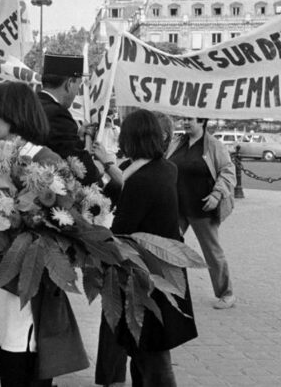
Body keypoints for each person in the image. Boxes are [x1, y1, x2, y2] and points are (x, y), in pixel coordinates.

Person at [0, 81, 89, 387]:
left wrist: (20, 219)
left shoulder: (45, 160)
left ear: (11, 114)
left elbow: (65, 225)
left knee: (20, 374)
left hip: (21, 292)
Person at [100, 109, 197, 387]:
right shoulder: (165, 168)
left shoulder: (142, 180)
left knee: (152, 356)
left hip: (146, 276)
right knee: (144, 351)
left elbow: (120, 231)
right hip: (163, 269)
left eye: (123, 134)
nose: (120, 139)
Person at [166, 116, 237, 309]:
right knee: (167, 246)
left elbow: (228, 171)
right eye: (184, 119)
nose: (186, 122)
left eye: (190, 120)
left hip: (203, 208)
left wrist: (217, 194)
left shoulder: (213, 145)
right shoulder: (177, 142)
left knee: (212, 252)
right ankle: (167, 289)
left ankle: (226, 293)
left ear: (202, 122)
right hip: (178, 206)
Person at [38, 53, 109, 185]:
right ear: (70, 83)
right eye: (78, 85)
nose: (77, 92)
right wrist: (98, 169)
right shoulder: (58, 115)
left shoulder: (29, 104)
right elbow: (81, 169)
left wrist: (79, 138)